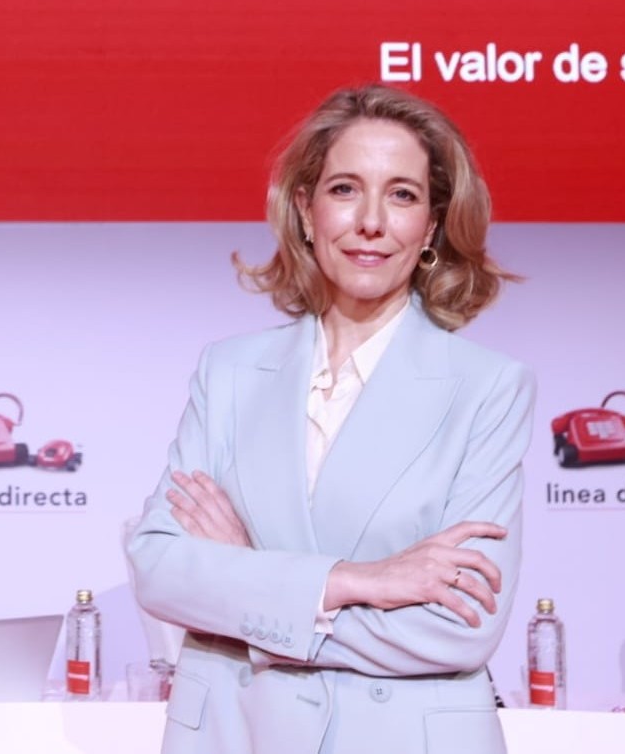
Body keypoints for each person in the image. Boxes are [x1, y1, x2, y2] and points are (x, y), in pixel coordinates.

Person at [126, 83, 535, 754]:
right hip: (235, 734)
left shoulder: (488, 387)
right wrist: (357, 581)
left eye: (402, 195)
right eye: (345, 189)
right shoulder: (229, 371)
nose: (371, 221)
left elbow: (459, 627)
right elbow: (160, 569)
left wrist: (249, 583)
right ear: (305, 211)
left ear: (431, 226)